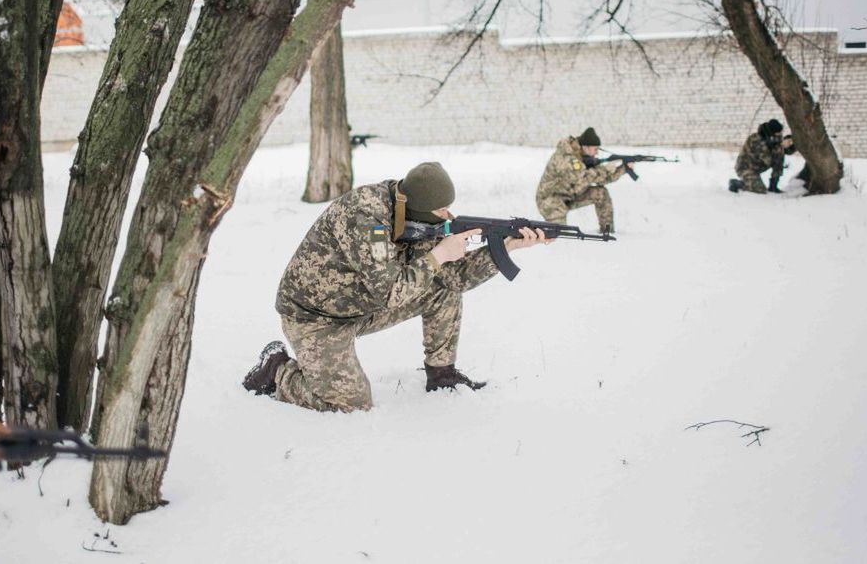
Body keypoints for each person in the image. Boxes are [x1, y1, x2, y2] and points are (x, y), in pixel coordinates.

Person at [242, 162, 552, 413]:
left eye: (448, 208)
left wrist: (506, 248)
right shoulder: (367, 219)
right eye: (441, 211)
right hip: (316, 319)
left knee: (441, 288)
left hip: (361, 307)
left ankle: (441, 374)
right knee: (350, 404)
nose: (448, 216)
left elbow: (455, 278)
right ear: (417, 208)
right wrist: (440, 254)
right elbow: (389, 292)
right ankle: (277, 370)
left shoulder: (420, 215)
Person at [535, 127, 630, 234]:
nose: (597, 153)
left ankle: (607, 233)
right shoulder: (565, 156)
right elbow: (583, 176)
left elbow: (600, 179)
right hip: (550, 200)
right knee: (560, 237)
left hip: (570, 194)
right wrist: (606, 169)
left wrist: (623, 168)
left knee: (600, 193)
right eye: (595, 149)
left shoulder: (581, 157)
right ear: (585, 147)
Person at [729, 119, 796, 194]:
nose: (780, 134)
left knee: (780, 156)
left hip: (758, 166)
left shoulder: (774, 137)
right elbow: (768, 160)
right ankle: (736, 184)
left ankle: (773, 186)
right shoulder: (756, 139)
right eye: (778, 133)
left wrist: (792, 144)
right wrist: (781, 146)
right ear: (772, 132)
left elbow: (785, 152)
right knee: (760, 189)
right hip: (746, 168)